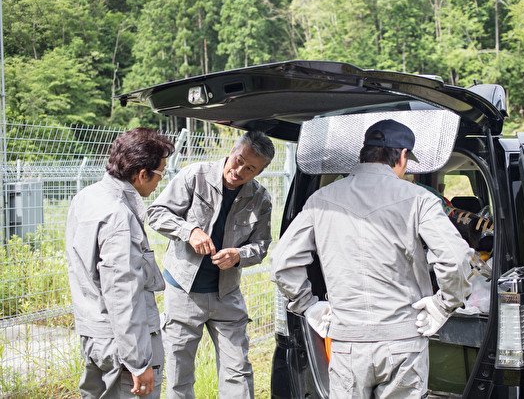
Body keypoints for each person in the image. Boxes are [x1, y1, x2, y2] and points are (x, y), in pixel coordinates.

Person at [270, 119, 473, 398]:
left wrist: (308, 306)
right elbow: (456, 258)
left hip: (346, 342)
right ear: (402, 156)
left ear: (362, 154)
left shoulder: (321, 199)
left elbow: (282, 262)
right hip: (404, 341)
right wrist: (444, 305)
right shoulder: (419, 199)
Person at [147, 130, 275, 399]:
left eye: (250, 168)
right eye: (239, 160)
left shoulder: (260, 199)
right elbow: (156, 213)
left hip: (226, 294)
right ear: (232, 150)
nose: (239, 170)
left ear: (259, 172)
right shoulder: (196, 176)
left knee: (238, 370)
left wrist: (238, 256)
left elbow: (261, 246)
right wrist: (189, 231)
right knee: (179, 372)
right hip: (183, 291)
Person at [66, 127, 175, 398]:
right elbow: (122, 295)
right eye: (161, 172)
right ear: (141, 174)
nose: (160, 181)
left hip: (94, 336)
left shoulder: (86, 198)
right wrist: (138, 362)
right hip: (123, 347)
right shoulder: (119, 216)